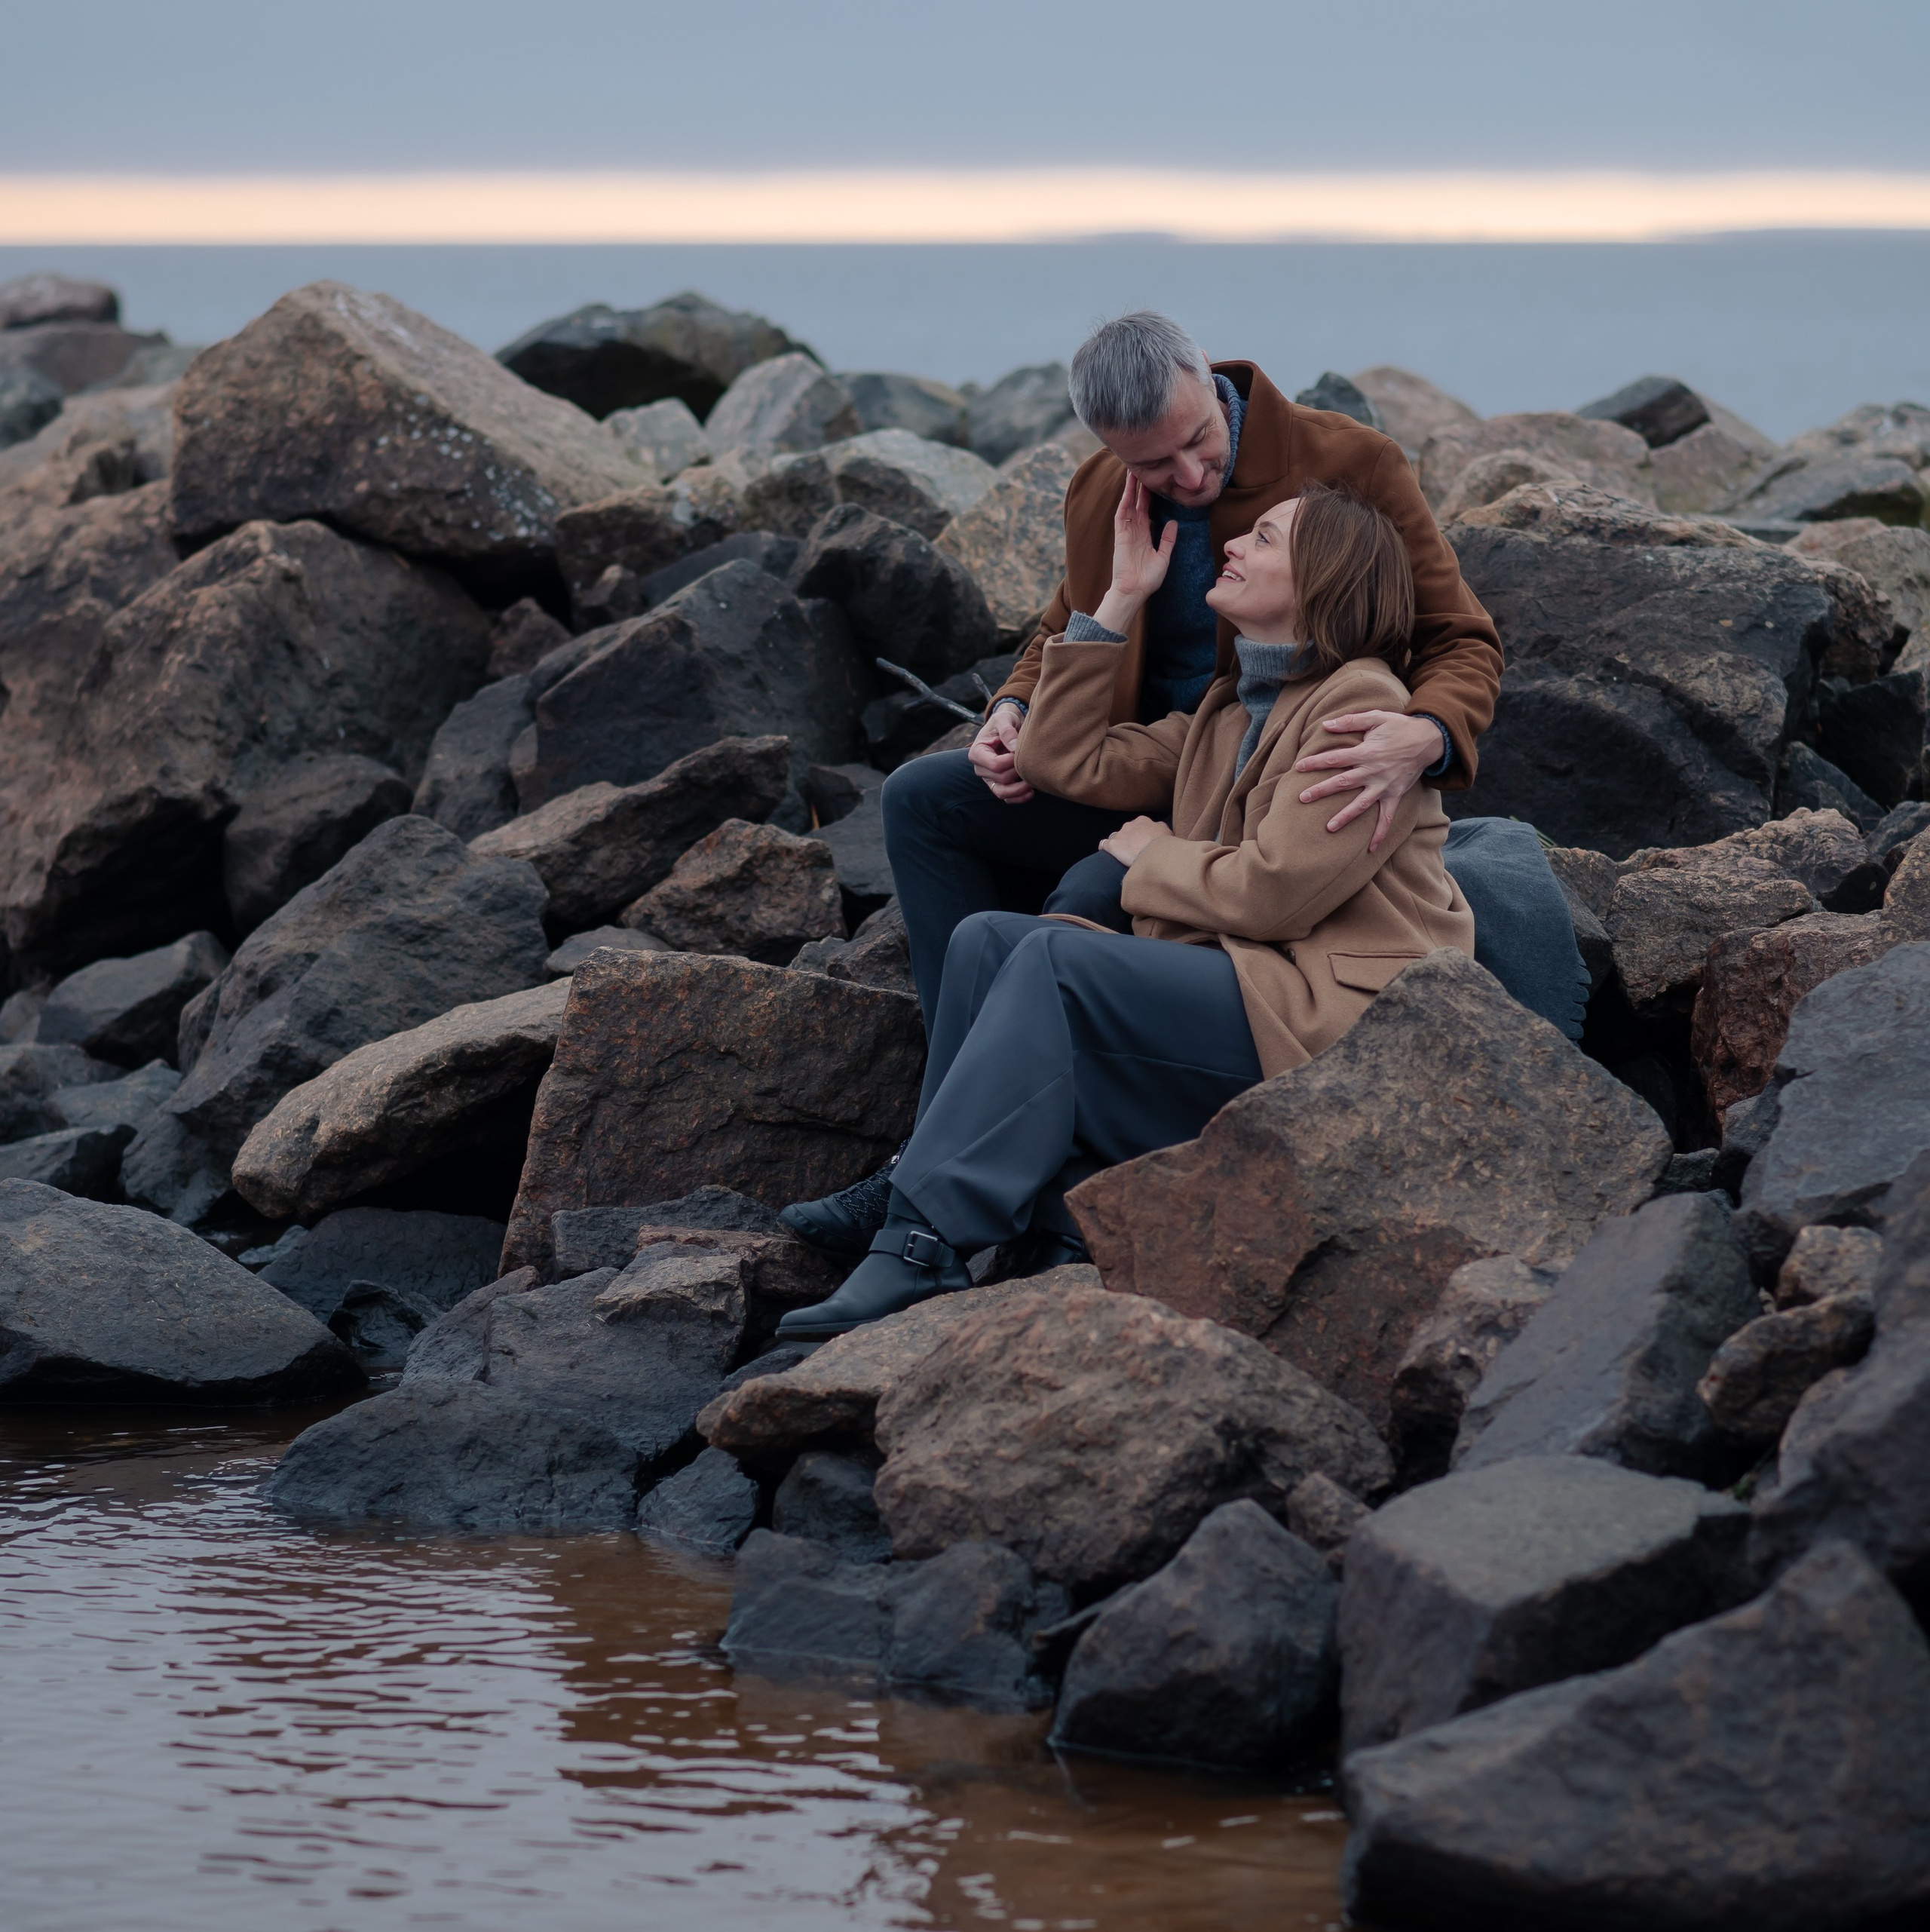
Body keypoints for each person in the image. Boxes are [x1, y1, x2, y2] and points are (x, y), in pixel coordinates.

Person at [783, 311, 1585, 1261]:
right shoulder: (1099, 491)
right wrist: (1012, 707)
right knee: (923, 799)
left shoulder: (1344, 463)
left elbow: (1459, 636)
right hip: (1158, 756)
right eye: (1155, 467)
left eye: (1199, 443)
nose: (1191, 478)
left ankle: (1007, 1176)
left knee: (1082, 900)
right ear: (1105, 444)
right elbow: (1065, 622)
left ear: (1209, 379)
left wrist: (1424, 733)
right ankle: (934, 1149)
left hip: (1277, 784)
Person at [775, 481, 1473, 1338]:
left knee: (1053, 959)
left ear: (1324, 578)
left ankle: (920, 1244)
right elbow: (1060, 760)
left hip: (1336, 1025)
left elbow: (1276, 893)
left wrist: (1151, 855)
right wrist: (1118, 602)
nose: (1232, 545)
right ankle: (993, 1206)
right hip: (1254, 989)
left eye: (1262, 538)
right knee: (990, 940)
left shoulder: (1363, 710)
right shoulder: (1236, 707)